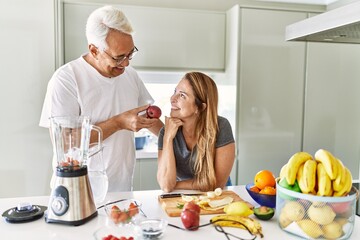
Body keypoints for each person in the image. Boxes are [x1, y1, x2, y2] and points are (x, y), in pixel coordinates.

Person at [39, 5, 163, 192]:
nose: (127, 63)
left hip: (122, 189)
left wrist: (180, 141)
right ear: (94, 50)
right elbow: (65, 143)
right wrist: (119, 123)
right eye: (119, 57)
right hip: (78, 192)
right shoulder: (66, 79)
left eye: (130, 53)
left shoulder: (130, 75)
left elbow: (149, 119)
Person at [157, 72, 235, 192]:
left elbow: (217, 183)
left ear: (200, 107)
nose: (172, 99)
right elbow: (166, 186)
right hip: (181, 196)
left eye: (182, 95)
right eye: (175, 92)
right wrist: (168, 138)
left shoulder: (221, 127)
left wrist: (175, 184)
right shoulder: (166, 131)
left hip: (216, 195)